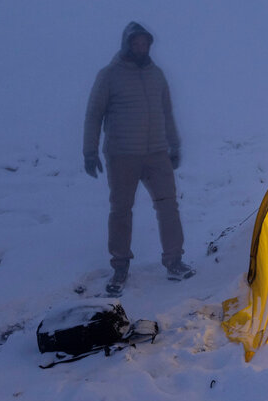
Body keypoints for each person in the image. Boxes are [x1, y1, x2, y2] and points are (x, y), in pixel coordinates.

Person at [83, 21, 194, 296]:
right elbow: (94, 114)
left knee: (168, 206)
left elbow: (166, 112)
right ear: (127, 44)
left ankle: (174, 261)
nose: (141, 47)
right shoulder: (109, 75)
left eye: (145, 43)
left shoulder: (157, 75)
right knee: (121, 210)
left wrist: (174, 145)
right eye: (136, 43)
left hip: (156, 153)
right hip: (122, 155)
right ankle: (120, 265)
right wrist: (89, 151)